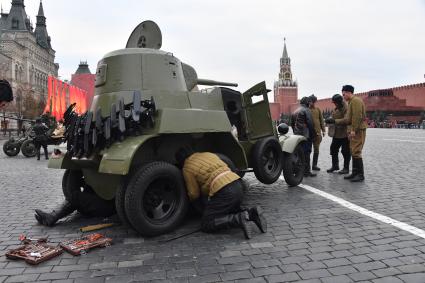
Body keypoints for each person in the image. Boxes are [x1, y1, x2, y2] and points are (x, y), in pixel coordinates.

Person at [176, 148, 266, 239]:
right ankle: (252, 213)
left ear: (181, 161)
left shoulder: (187, 167)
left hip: (224, 190)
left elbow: (193, 194)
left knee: (207, 223)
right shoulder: (207, 154)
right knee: (228, 209)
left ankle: (238, 219)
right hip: (238, 183)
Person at [326, 85, 367, 182]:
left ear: (348, 92)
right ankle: (354, 173)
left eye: (343, 94)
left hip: (358, 130)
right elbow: (348, 119)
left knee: (356, 152)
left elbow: (357, 117)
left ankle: (360, 175)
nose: (343, 96)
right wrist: (334, 121)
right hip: (354, 130)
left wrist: (353, 130)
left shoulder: (356, 101)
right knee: (353, 151)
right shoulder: (351, 102)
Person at [35, 178, 115, 226]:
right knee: (78, 199)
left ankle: (51, 217)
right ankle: (50, 218)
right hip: (105, 204)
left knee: (76, 196)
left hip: (107, 205)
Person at [291, 96, 316, 177]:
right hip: (306, 135)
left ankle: (298, 170)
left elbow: (292, 124)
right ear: (307, 103)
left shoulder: (295, 111)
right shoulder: (306, 110)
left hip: (297, 136)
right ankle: (306, 171)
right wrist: (313, 134)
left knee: (299, 153)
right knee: (306, 153)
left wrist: (295, 132)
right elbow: (310, 124)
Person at [326, 94, 351, 174]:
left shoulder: (346, 108)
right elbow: (334, 115)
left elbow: (347, 120)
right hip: (337, 133)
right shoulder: (337, 107)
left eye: (335, 102)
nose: (334, 104)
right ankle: (335, 166)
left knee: (345, 151)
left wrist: (334, 121)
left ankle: (346, 168)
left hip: (345, 133)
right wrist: (330, 119)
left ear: (339, 102)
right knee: (333, 149)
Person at [309, 94, 325, 171]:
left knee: (316, 149)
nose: (312, 103)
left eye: (314, 102)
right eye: (311, 102)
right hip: (309, 133)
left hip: (317, 133)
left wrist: (324, 130)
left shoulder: (318, 110)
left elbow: (321, 120)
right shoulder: (306, 110)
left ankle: (314, 165)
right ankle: (307, 166)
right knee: (308, 150)